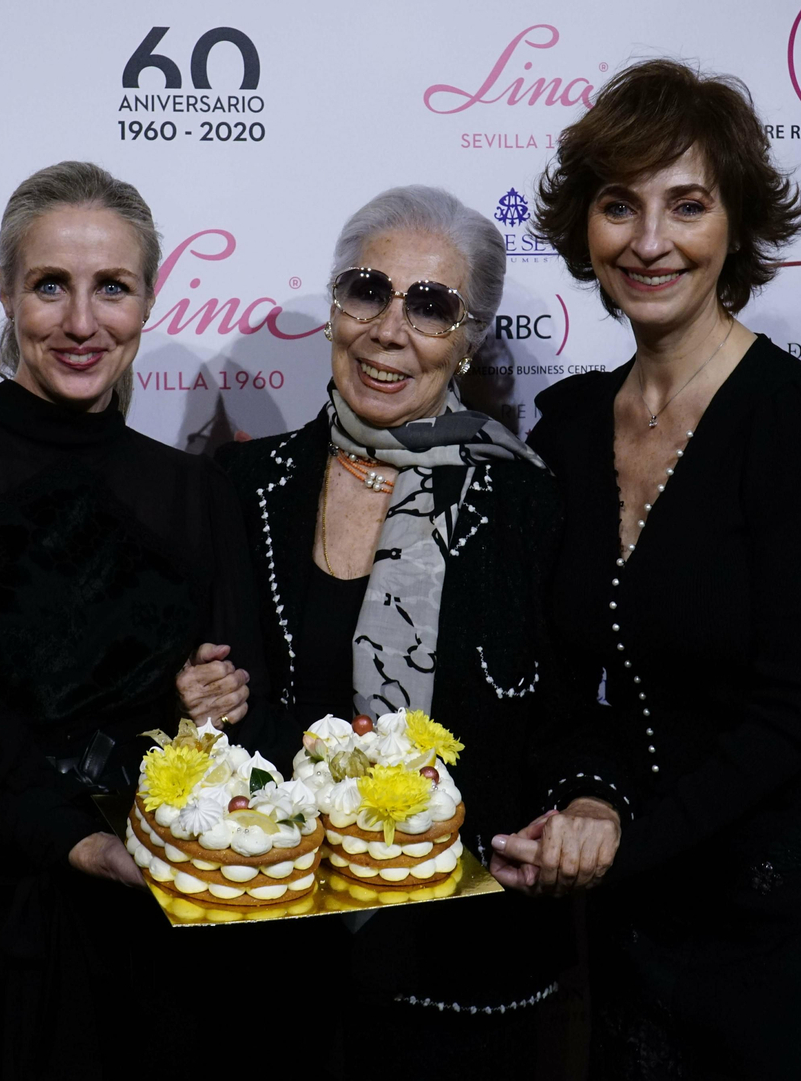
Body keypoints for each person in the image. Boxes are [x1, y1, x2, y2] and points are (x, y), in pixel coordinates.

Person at [491, 60, 801, 1077]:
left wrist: (628, 839)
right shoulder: (568, 426)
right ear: (584, 225)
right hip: (648, 907)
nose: (649, 241)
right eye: (619, 205)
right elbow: (566, 679)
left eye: (687, 205)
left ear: (735, 222)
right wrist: (589, 800)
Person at [0, 161, 269, 1077]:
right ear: (6, 292)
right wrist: (80, 840)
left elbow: (238, 735)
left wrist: (205, 712)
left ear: (149, 298)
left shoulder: (197, 492)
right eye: (50, 286)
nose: (82, 323)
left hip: (150, 941)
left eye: (111, 287)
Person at [214, 185, 587, 1079]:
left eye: (430, 306)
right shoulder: (241, 486)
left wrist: (585, 805)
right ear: (335, 304)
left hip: (462, 977)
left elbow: (566, 719)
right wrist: (198, 694)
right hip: (272, 972)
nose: (389, 330)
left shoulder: (529, 503)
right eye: (368, 290)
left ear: (470, 338)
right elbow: (219, 705)